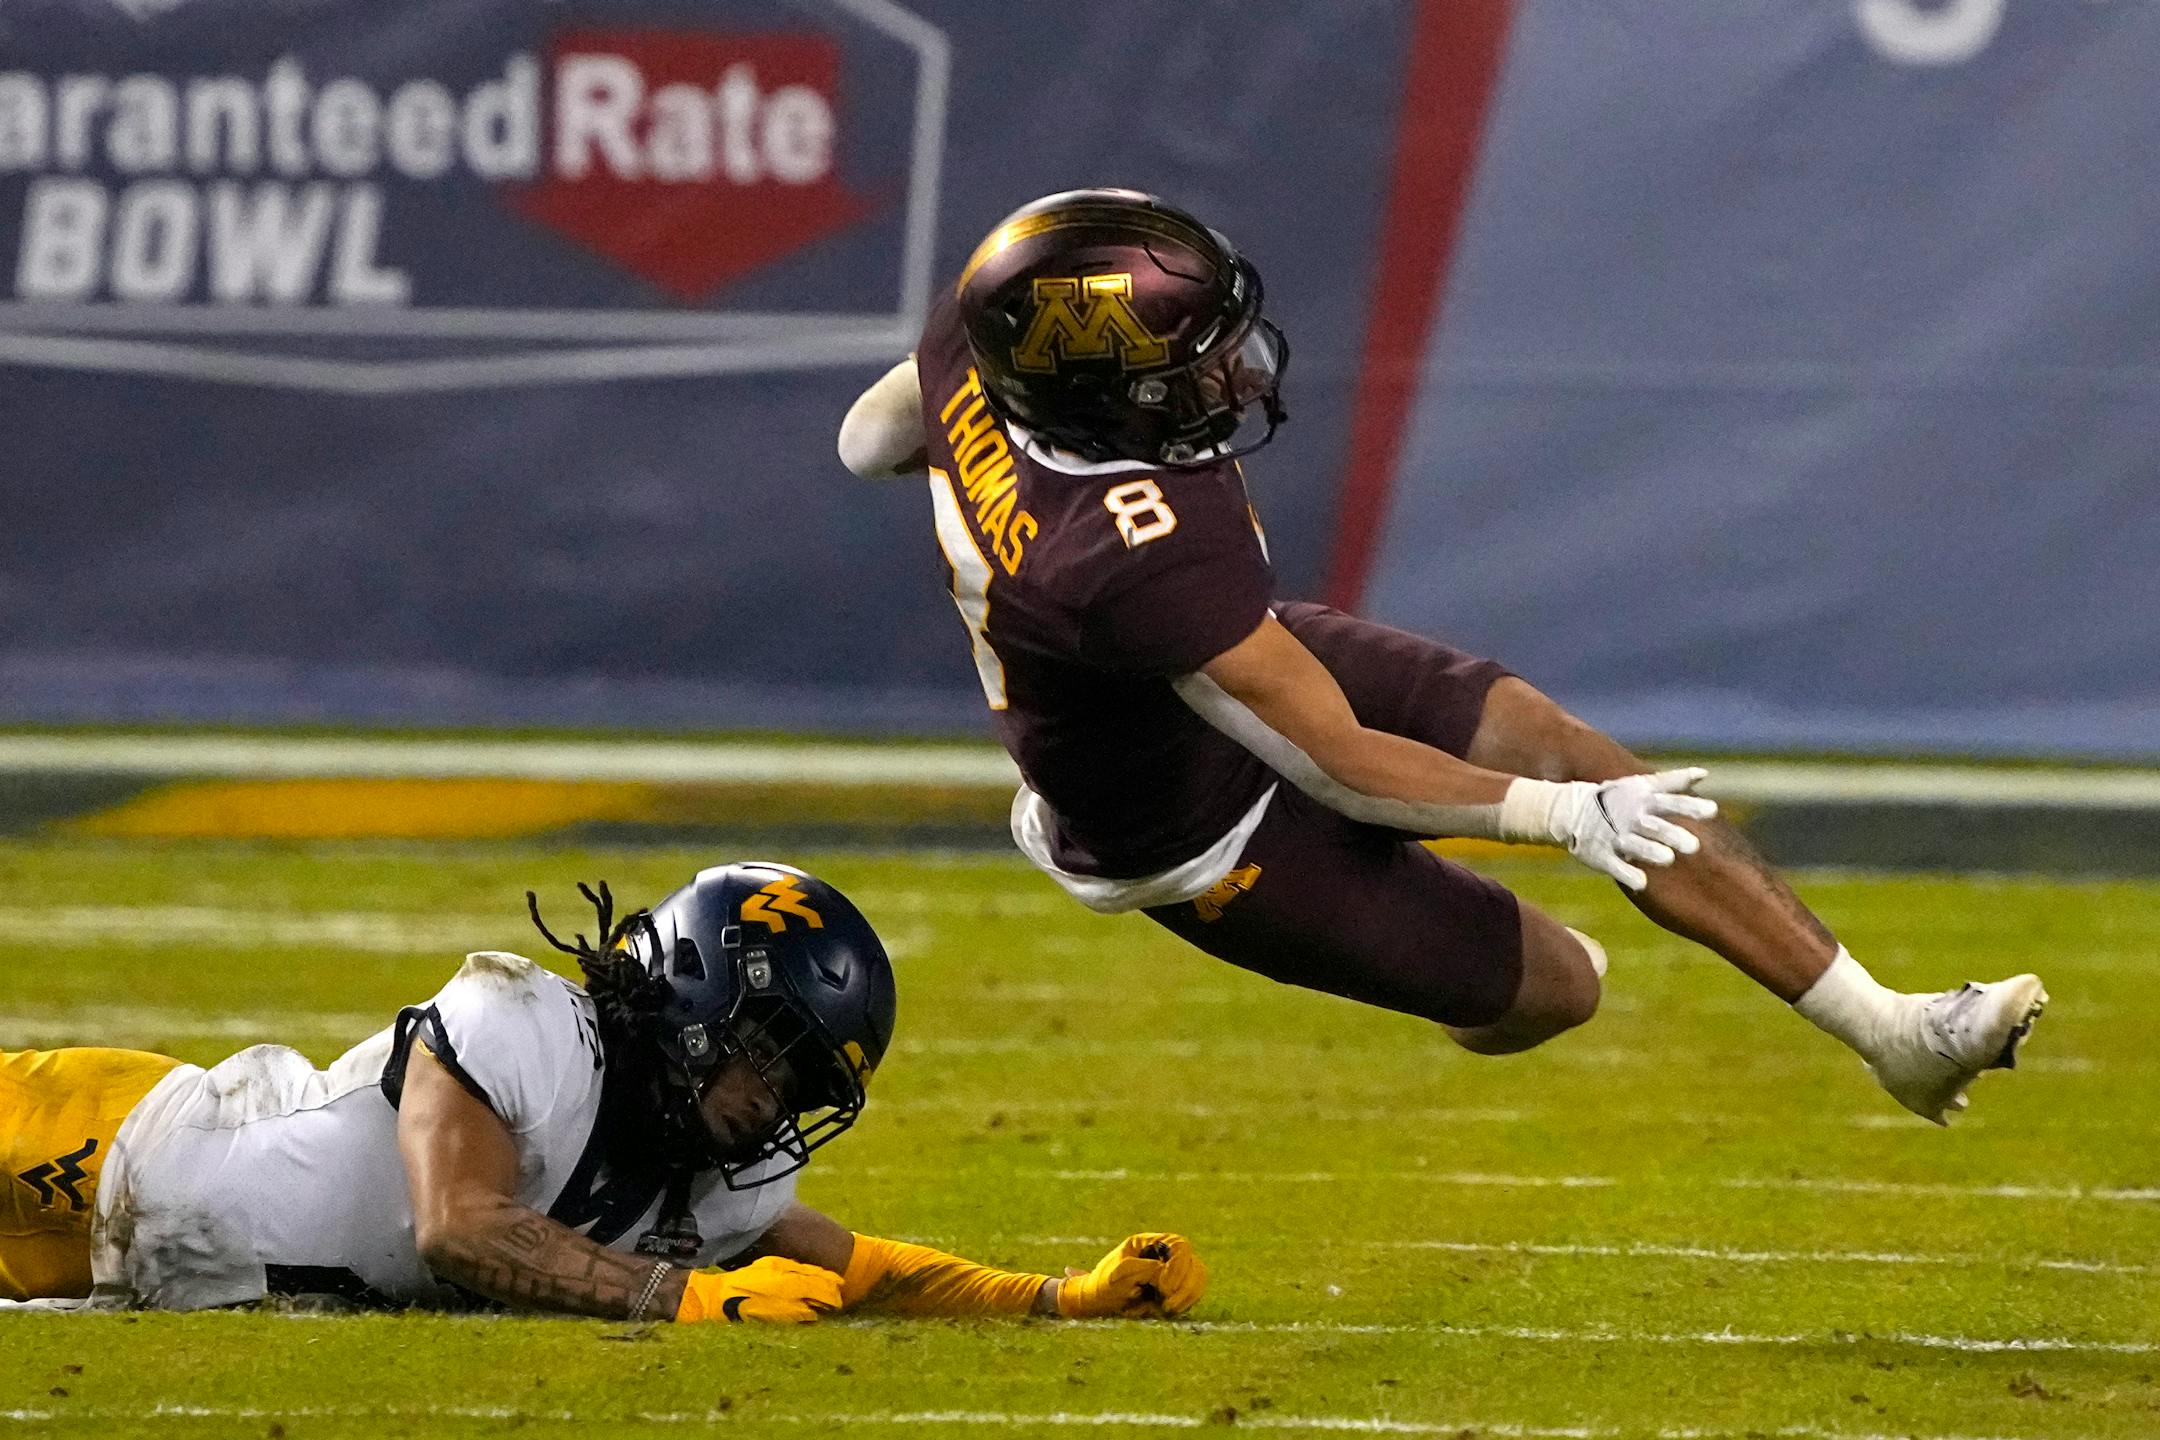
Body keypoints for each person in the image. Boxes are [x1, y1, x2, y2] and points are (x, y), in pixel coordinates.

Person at [837, 188, 2046, 1124]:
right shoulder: (1123, 552)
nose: (1229, 370)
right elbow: (1339, 766)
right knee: (1562, 983)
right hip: (1186, 829)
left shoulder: (992, 343)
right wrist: (1560, 819)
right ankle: (1427, 948)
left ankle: (1890, 1031)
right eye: (1190, 364)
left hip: (1233, 655)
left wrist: (961, 478)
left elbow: (866, 438)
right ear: (1102, 396)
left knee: (1594, 761)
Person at [0, 861, 1206, 1320]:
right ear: (692, 1000)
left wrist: (1059, 1298)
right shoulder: (522, 1020)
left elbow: (859, 1269)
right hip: (109, 1147)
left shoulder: (720, 1166)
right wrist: (677, 1298)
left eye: (807, 1078)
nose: (778, 1101)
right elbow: (459, 1226)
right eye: (770, 1052)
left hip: (149, 1278)